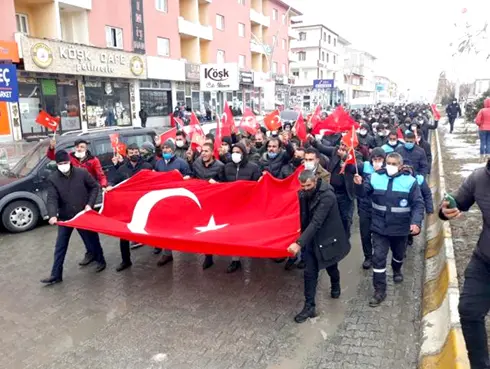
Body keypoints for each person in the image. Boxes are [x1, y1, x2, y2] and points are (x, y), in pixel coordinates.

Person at [354, 152, 424, 307]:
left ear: (400, 166)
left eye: (394, 164)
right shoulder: (374, 177)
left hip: (400, 229)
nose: (390, 166)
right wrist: (358, 185)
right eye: (388, 163)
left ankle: (397, 269)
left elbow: (418, 204)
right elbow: (362, 194)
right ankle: (379, 290)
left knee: (398, 255)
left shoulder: (410, 182)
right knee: (378, 258)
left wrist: (416, 222)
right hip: (380, 228)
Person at [439, 159, 490, 369]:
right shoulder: (480, 177)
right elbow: (455, 203)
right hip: (485, 261)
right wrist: (445, 209)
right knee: (468, 310)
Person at [288, 170, 351, 323]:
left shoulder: (327, 196)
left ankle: (335, 284)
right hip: (310, 239)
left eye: (308, 185)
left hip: (326, 239)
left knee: (331, 267)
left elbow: (317, 222)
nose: (305, 188)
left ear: (315, 181)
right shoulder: (304, 193)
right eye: (303, 186)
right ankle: (309, 306)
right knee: (309, 273)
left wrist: (298, 243)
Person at [41, 150, 106, 285]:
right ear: (56, 164)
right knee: (60, 246)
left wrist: (89, 204)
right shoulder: (53, 179)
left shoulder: (81, 173)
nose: (63, 165)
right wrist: (53, 215)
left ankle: (100, 260)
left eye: (65, 162)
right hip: (66, 218)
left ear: (69, 162)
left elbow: (94, 187)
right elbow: (52, 198)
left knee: (92, 239)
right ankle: (56, 274)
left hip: (82, 213)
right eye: (60, 163)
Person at [111, 144, 153, 271]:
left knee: (151, 227)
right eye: (132, 152)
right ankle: (125, 260)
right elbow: (114, 181)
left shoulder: (147, 166)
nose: (134, 154)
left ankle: (158, 248)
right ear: (127, 154)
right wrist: (109, 185)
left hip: (144, 204)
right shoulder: (122, 169)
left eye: (136, 151)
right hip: (127, 206)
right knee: (124, 233)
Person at [222, 143, 261, 273]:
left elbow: (258, 187)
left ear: (244, 153)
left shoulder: (253, 168)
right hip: (231, 205)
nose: (235, 154)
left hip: (248, 205)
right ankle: (235, 260)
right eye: (233, 151)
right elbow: (222, 184)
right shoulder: (227, 167)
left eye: (238, 152)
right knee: (234, 233)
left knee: (248, 232)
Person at [357, 148, 386, 269]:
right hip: (365, 207)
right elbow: (361, 192)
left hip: (380, 209)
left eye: (380, 160)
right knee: (365, 234)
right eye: (375, 160)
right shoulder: (366, 169)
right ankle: (368, 256)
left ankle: (377, 255)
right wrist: (358, 184)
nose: (377, 162)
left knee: (378, 234)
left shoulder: (388, 173)